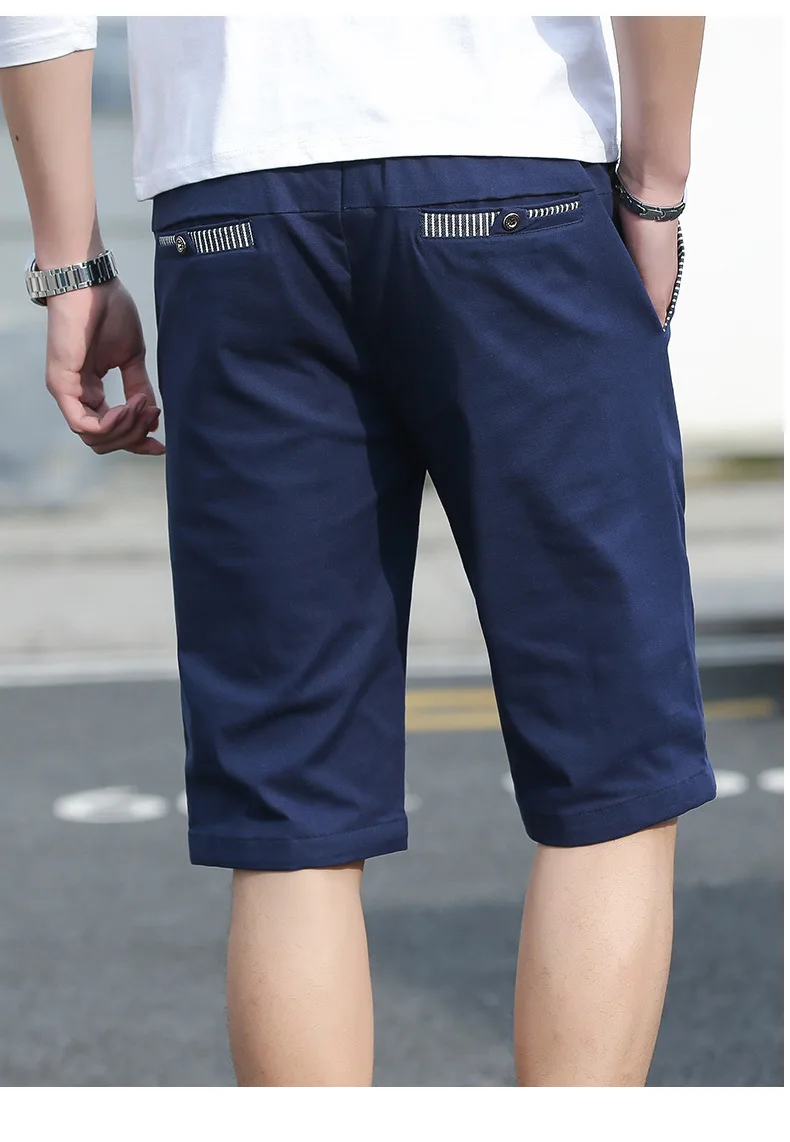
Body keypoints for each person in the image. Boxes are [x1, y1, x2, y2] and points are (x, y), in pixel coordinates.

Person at [0, 15, 715, 1087]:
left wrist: (70, 263)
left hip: (234, 206)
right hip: (513, 169)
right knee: (611, 757)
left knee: (292, 802)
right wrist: (655, 189)